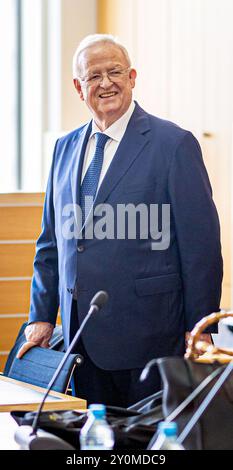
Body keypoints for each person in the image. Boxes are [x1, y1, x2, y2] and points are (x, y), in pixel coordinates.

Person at [17, 34, 223, 407]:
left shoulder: (173, 144)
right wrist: (41, 316)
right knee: (92, 440)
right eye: (94, 76)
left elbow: (201, 249)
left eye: (114, 72)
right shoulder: (64, 148)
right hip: (82, 335)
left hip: (151, 334)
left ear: (132, 77)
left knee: (146, 442)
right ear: (79, 88)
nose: (106, 83)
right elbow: (51, 241)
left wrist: (200, 330)